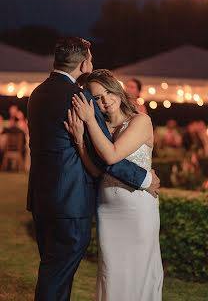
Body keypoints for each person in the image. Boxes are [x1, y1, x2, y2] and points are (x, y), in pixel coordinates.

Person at [27, 36, 160, 301]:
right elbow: (105, 158)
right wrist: (144, 179)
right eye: (91, 58)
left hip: (42, 200)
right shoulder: (79, 98)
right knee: (57, 274)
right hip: (71, 201)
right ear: (84, 64)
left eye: (108, 94)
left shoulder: (37, 93)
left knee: (52, 269)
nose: (103, 100)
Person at [65, 69, 163, 301]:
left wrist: (89, 121)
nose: (106, 101)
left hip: (138, 211)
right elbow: (98, 170)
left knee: (138, 270)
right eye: (97, 98)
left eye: (109, 93)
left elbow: (112, 156)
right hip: (107, 210)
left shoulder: (141, 120)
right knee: (111, 272)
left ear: (118, 92)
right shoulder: (101, 129)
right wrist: (80, 141)